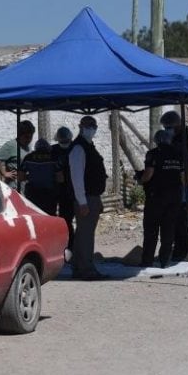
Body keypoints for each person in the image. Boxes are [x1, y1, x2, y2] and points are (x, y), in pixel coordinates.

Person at [160, 110, 188, 262]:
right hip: (180, 181)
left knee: (186, 216)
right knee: (177, 216)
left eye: (168, 127)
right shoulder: (175, 138)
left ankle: (187, 250)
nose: (167, 130)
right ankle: (179, 249)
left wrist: (187, 183)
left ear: (177, 125)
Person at [68, 116, 108, 280]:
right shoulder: (79, 148)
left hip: (92, 196)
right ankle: (86, 269)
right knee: (86, 235)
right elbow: (77, 177)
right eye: (88, 125)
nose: (91, 128)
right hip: (85, 198)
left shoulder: (88, 146)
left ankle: (79, 266)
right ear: (81, 127)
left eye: (93, 125)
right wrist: (83, 201)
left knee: (83, 233)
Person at [139, 130, 183, 267]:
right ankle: (165, 260)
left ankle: (147, 260)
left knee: (151, 230)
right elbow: (182, 176)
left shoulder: (153, 154)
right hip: (174, 197)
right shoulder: (178, 154)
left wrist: (140, 180)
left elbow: (148, 174)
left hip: (156, 197)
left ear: (157, 140)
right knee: (168, 230)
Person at [0, 120, 35, 189]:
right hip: (14, 187)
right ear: (20, 135)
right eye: (26, 137)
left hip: (25, 187)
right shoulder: (11, 145)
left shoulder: (28, 146)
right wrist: (4, 173)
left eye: (31, 137)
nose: (29, 140)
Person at [19, 139, 59, 214]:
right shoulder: (54, 158)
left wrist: (31, 176)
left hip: (33, 194)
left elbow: (20, 177)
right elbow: (60, 178)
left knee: (35, 216)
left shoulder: (28, 158)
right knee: (49, 217)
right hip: (49, 195)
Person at [51, 126, 75, 249]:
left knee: (66, 219)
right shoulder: (53, 150)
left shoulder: (75, 149)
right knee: (61, 219)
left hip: (70, 189)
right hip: (59, 189)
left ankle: (70, 245)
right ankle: (66, 245)